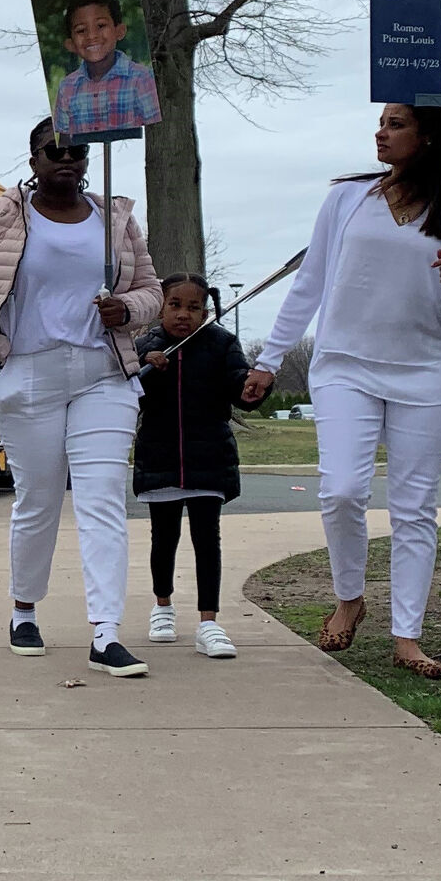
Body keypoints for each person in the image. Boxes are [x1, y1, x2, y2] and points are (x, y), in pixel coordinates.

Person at [242, 104, 441, 678]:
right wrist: (268, 359)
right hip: (344, 366)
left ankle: (408, 635)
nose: (381, 132)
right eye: (382, 122)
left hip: (426, 371)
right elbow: (309, 284)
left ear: (428, 136)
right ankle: (350, 596)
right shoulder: (348, 200)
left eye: (397, 123)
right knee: (341, 490)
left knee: (413, 510)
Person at [0, 115, 164, 677]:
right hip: (28, 375)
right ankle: (25, 611)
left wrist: (130, 311)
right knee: (39, 500)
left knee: (101, 502)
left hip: (103, 374)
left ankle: (106, 633)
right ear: (33, 161)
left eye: (75, 151)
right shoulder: (1, 216)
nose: (66, 160)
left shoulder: (114, 218)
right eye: (53, 152)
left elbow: (151, 290)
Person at [134, 274, 266, 659]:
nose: (183, 315)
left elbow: (239, 389)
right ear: (161, 306)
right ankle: (162, 607)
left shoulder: (222, 343)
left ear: (206, 312)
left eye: (194, 308)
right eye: (175, 305)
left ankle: (209, 623)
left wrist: (252, 388)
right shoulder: (143, 347)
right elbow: (128, 396)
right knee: (164, 538)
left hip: (208, 459)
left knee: (207, 541)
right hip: (159, 459)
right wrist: (144, 370)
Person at [53, 0, 161, 137]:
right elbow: (64, 139)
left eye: (101, 26)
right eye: (81, 30)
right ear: (70, 44)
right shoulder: (67, 87)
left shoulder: (142, 79)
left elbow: (157, 131)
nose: (92, 36)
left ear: (120, 31)